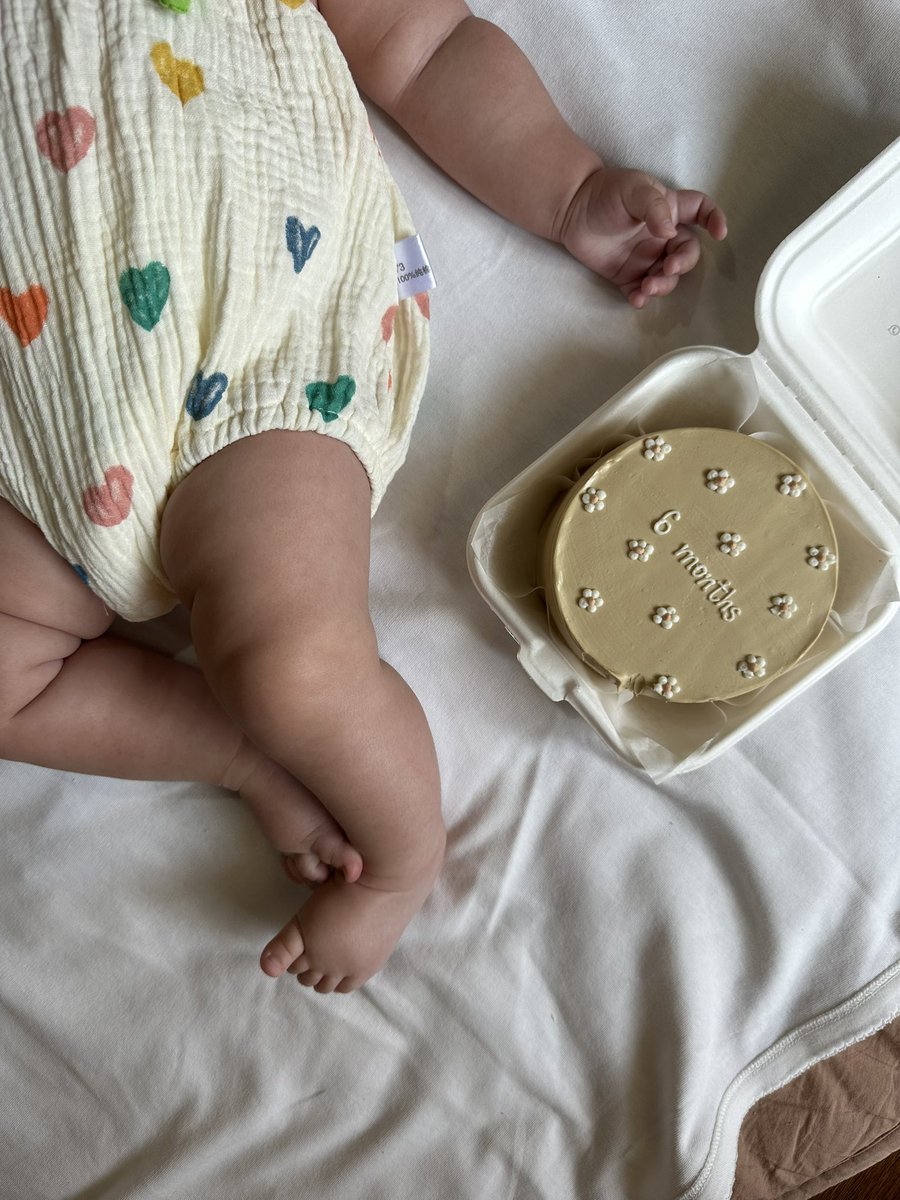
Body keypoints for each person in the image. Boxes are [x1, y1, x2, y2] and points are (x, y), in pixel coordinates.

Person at [0, 0, 727, 994]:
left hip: (248, 341)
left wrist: (571, 191)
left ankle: (399, 858)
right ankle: (238, 751)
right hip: (26, 442)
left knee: (293, 661)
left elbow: (420, 43)